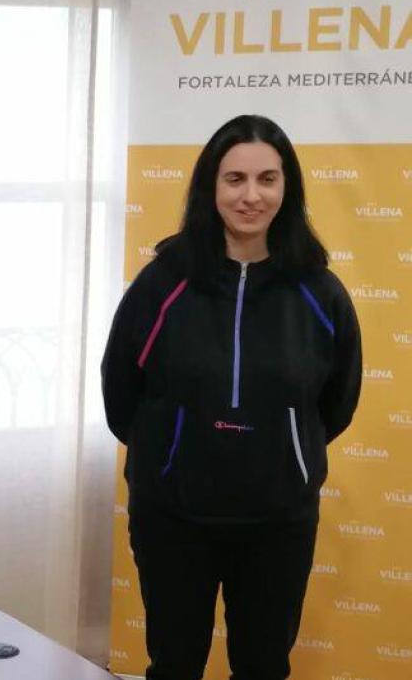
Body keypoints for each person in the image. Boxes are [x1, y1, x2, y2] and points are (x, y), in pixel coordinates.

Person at [101, 115, 362, 680]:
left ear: (287, 188)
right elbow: (121, 392)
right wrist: (169, 449)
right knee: (173, 665)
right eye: (235, 179)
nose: (251, 196)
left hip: (277, 521)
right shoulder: (162, 282)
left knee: (264, 667)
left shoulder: (320, 292)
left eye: (267, 179)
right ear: (210, 187)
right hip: (173, 515)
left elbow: (336, 403)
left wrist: (285, 448)